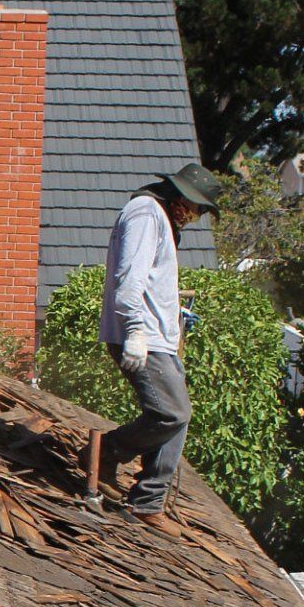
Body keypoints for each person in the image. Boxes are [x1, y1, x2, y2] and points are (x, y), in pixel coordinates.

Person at [93, 162, 221, 526]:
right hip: (142, 337)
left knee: (179, 418)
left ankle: (149, 502)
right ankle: (104, 452)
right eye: (197, 207)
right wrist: (135, 331)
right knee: (172, 413)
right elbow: (129, 279)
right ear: (182, 197)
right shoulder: (146, 213)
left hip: (159, 339)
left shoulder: (160, 217)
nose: (195, 216)